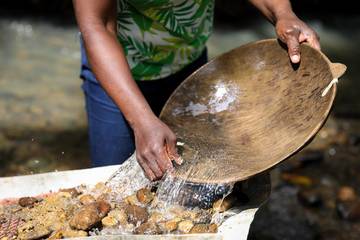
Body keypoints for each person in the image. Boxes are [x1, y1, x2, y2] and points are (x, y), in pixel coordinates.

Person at [73, 0, 320, 181]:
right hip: (119, 77)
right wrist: (141, 120)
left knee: (201, 179)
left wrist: (283, 13)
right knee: (118, 187)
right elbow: (97, 25)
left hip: (190, 64)